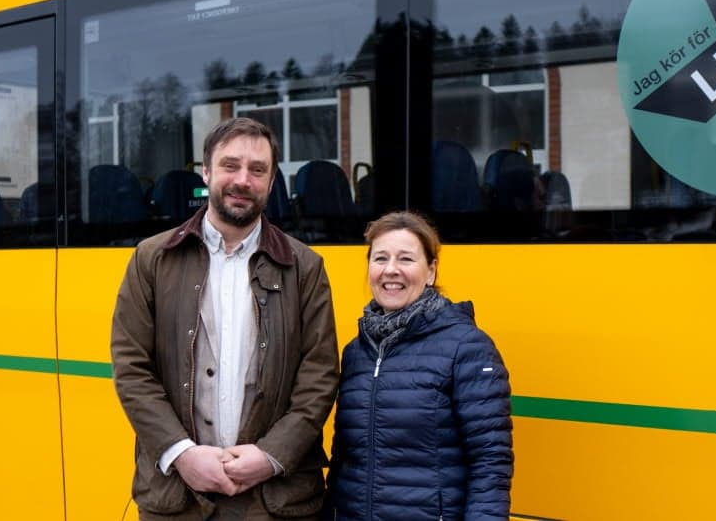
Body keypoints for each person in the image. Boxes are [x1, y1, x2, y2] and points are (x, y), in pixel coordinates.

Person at [111, 117, 339, 520]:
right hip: (176, 499)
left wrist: (271, 455)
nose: (243, 180)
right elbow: (132, 369)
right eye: (230, 165)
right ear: (206, 171)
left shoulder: (305, 267)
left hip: (275, 501)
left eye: (257, 170)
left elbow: (318, 376)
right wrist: (181, 454)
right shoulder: (152, 258)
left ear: (271, 182)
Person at [327, 212, 513, 519]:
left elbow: (490, 462)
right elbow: (342, 461)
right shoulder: (356, 352)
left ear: (431, 271)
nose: (391, 270)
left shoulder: (468, 348)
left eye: (406, 259)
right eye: (380, 258)